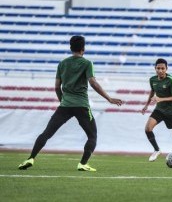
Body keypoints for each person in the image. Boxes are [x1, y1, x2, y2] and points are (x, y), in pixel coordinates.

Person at [18, 36, 123, 171]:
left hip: (65, 106)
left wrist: (63, 100)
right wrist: (109, 98)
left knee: (47, 133)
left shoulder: (62, 63)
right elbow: (93, 82)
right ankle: (83, 163)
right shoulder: (87, 63)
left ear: (70, 48)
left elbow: (57, 87)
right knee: (92, 136)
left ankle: (31, 158)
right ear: (83, 49)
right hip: (82, 106)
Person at [141, 58, 172, 166]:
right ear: (155, 68)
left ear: (166, 69)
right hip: (159, 110)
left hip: (171, 112)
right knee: (148, 128)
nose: (160, 70)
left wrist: (160, 99)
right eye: (158, 68)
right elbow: (152, 91)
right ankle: (156, 150)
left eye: (162, 68)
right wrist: (146, 104)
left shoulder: (170, 80)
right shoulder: (152, 80)